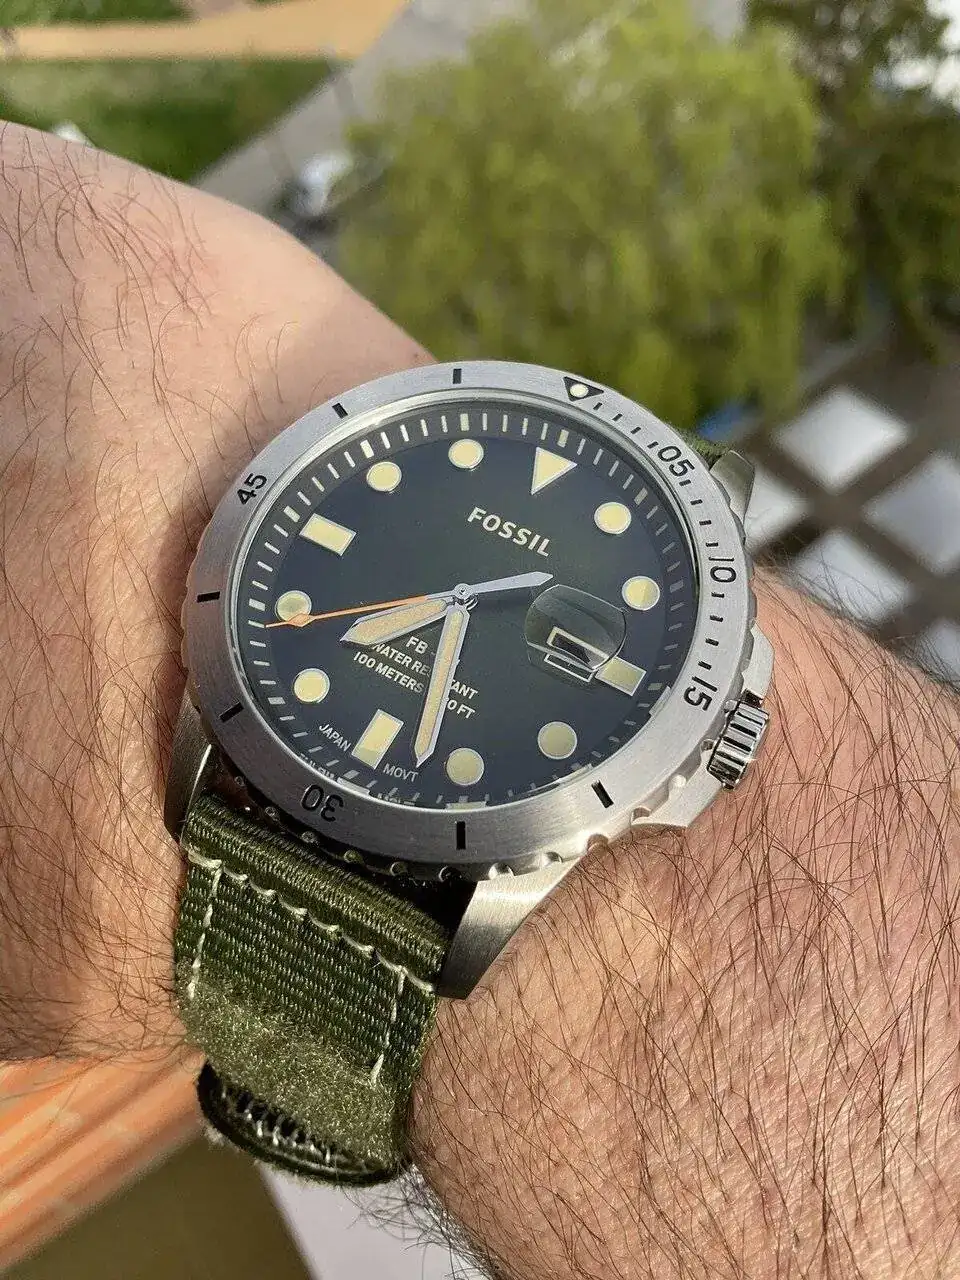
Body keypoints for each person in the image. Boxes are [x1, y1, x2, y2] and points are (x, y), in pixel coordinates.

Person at [1, 119, 959, 1280]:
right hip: (267, 739)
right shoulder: (223, 718)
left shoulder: (632, 756)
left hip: (443, 852)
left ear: (721, 727)